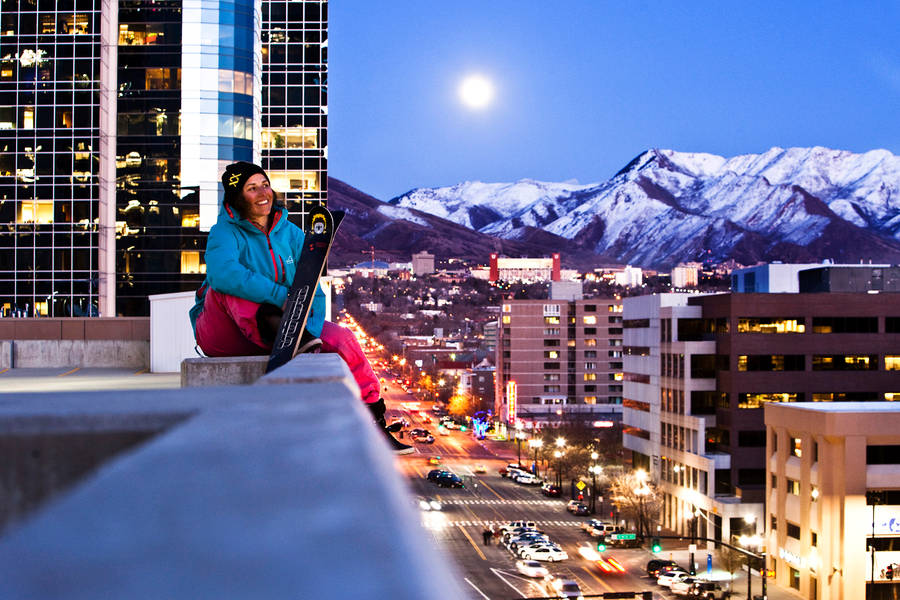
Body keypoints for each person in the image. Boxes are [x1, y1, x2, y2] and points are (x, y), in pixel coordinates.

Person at [189, 161, 412, 454]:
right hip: (224, 334)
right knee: (229, 288)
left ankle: (374, 423)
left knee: (344, 338)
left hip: (286, 327)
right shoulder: (225, 233)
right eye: (251, 188)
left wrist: (309, 324)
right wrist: (279, 296)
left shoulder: (291, 234)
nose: (262, 193)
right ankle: (287, 335)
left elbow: (310, 286)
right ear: (237, 198)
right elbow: (223, 274)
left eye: (264, 184)